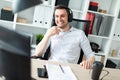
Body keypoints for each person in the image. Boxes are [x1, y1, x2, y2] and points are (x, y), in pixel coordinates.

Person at [35, 5, 95, 69]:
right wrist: (47, 35)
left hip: (70, 69)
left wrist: (88, 62)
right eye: (57, 16)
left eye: (62, 16)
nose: (59, 19)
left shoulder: (80, 34)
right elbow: (38, 54)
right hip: (51, 67)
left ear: (69, 17)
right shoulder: (51, 31)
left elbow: (91, 55)